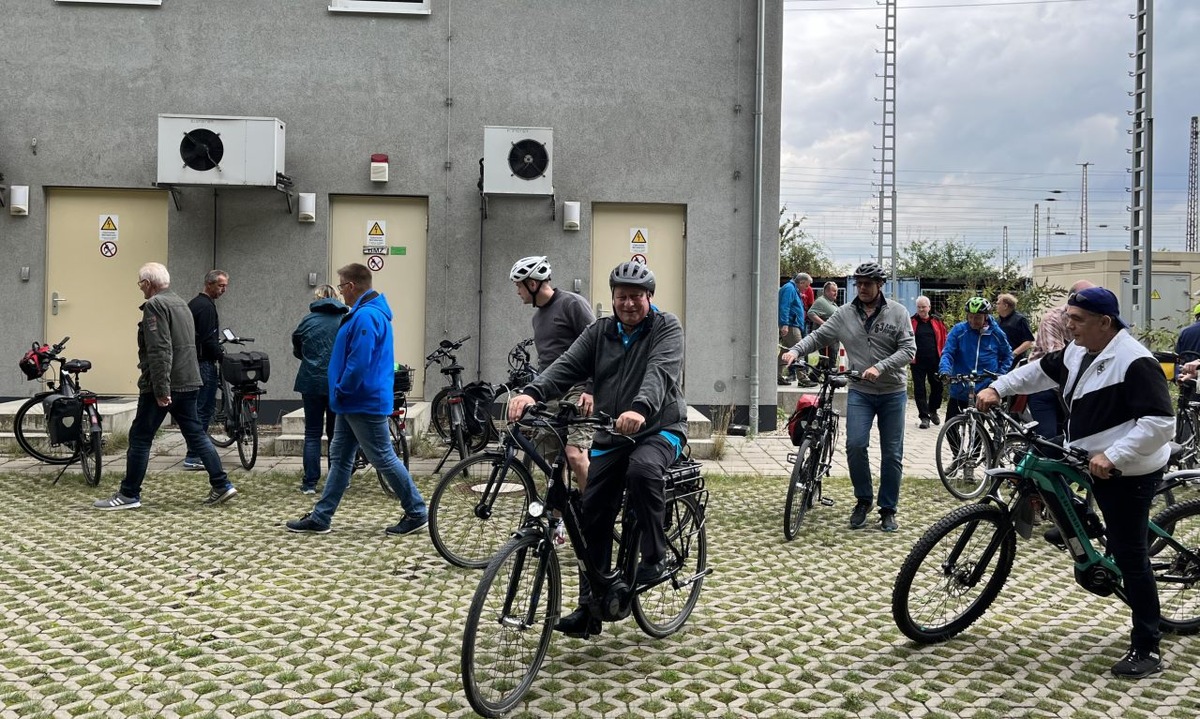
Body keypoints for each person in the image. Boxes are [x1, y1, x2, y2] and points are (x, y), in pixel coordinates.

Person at [978, 287, 1172, 679]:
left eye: (1078, 319)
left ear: (1106, 322)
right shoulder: (1077, 350)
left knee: (1130, 553)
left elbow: (1160, 423)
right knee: (1053, 480)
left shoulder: (1135, 361)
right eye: (1068, 316)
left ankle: (1147, 646)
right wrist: (999, 387)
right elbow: (1038, 371)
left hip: (1127, 469)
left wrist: (1114, 455)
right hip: (1087, 457)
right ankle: (1086, 525)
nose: (1069, 324)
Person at [507, 261, 686, 638]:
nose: (629, 303)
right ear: (613, 298)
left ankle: (654, 556)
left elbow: (660, 372)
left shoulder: (665, 327)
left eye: (636, 296)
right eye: (622, 296)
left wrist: (639, 408)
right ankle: (591, 609)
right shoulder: (600, 331)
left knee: (642, 471)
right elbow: (567, 364)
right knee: (593, 515)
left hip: (658, 426)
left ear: (649, 297)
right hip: (611, 432)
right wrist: (532, 393)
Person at [285, 263, 427, 536]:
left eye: (341, 286)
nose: (340, 292)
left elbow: (359, 363)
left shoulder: (365, 317)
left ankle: (417, 511)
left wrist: (341, 389)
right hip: (353, 401)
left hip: (360, 400)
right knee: (340, 459)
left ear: (351, 286)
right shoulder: (365, 314)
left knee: (383, 457)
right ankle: (321, 517)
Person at [781, 262, 915, 532]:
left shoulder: (898, 313)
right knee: (855, 445)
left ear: (880, 285)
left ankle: (888, 509)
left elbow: (909, 350)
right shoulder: (844, 313)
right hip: (860, 392)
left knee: (892, 453)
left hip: (892, 392)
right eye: (859, 283)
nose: (863, 288)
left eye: (868, 283)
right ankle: (863, 501)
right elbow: (819, 336)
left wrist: (881, 367)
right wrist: (795, 350)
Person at [94, 262, 236, 510]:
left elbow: (160, 349)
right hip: (189, 381)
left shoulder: (155, 305)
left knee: (140, 437)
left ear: (148, 283)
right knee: (196, 433)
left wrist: (161, 389)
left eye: (140, 284)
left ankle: (128, 494)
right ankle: (222, 485)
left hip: (166, 384)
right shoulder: (181, 302)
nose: (140, 289)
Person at [510, 255, 596, 518]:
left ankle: (594, 517)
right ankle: (560, 518)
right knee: (551, 461)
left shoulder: (572, 304)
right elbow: (548, 361)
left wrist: (591, 388)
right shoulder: (538, 318)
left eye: (519, 285)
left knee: (575, 456)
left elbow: (598, 346)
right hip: (553, 391)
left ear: (534, 284)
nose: (517, 291)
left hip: (579, 388)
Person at [291, 284, 348, 494]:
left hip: (311, 382)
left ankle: (309, 484)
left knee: (312, 433)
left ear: (318, 298)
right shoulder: (344, 319)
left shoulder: (307, 320)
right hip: (337, 383)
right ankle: (337, 481)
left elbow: (298, 347)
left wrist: (310, 359)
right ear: (336, 297)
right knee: (336, 434)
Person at [1027, 280, 1095, 438]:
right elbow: (1058, 359)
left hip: (1070, 389)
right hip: (1045, 387)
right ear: (1072, 299)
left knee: (1072, 439)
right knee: (1047, 437)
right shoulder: (1052, 319)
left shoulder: (1092, 320)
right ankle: (1022, 460)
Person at [182, 270, 229, 470]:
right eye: (220, 286)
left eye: (225, 286)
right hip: (204, 363)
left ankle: (196, 452)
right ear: (209, 284)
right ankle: (194, 455)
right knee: (204, 409)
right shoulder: (206, 307)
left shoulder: (195, 304)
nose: (224, 290)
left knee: (199, 408)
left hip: (196, 361)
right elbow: (208, 339)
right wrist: (221, 355)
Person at [938, 297, 1012, 421]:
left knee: (979, 431)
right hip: (961, 386)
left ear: (986, 317)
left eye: (977, 317)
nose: (973, 321)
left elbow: (1008, 355)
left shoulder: (996, 333)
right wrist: (945, 371)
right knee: (951, 427)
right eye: (970, 316)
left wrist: (1000, 374)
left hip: (985, 388)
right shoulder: (959, 330)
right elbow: (948, 353)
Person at [910, 295, 947, 430]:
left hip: (935, 360)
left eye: (924, 307)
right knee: (920, 389)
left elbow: (944, 339)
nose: (921, 309)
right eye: (919, 307)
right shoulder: (912, 321)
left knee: (938, 388)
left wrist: (945, 358)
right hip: (917, 361)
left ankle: (933, 410)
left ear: (929, 308)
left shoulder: (938, 322)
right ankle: (924, 417)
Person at [777, 273, 811, 385]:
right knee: (800, 349)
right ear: (801, 282)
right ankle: (803, 379)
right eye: (806, 286)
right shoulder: (789, 289)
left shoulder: (792, 289)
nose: (807, 289)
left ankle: (776, 375)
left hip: (792, 324)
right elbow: (784, 306)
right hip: (791, 325)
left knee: (785, 351)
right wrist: (785, 324)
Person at [995, 293, 1035, 366]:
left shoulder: (1020, 320)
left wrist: (1013, 354)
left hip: (1016, 362)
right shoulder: (997, 321)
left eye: (998, 304)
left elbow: (1028, 342)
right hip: (999, 361)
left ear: (1005, 306)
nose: (996, 306)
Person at [808, 281, 840, 366]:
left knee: (826, 360)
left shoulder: (832, 303)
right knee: (829, 360)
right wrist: (824, 324)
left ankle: (814, 376)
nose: (836, 293)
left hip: (833, 337)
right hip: (826, 338)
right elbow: (811, 313)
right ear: (826, 291)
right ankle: (829, 378)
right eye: (833, 291)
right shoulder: (821, 301)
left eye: (836, 291)